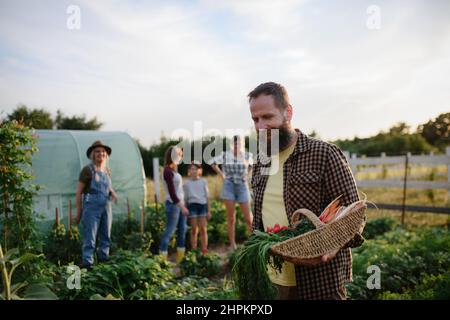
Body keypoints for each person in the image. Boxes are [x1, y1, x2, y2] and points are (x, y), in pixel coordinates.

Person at [248, 82, 365, 300]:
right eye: (255, 119)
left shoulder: (324, 154)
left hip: (319, 281)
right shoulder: (261, 160)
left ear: (288, 113)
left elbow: (356, 215)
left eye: (267, 117)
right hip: (274, 279)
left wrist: (330, 249)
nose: (260, 126)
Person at [73, 140, 118, 269]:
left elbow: (107, 186)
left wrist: (112, 192)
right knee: (90, 236)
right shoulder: (87, 170)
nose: (101, 153)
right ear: (92, 154)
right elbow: (78, 192)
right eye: (97, 151)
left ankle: (104, 259)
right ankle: (88, 263)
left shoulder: (106, 170)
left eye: (103, 151)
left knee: (105, 234)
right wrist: (78, 212)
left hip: (106, 205)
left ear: (106, 155)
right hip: (91, 205)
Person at [209, 135, 253, 250]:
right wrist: (222, 175)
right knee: (231, 218)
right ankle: (232, 244)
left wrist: (247, 176)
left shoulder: (247, 155)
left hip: (242, 186)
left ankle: (254, 241)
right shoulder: (225, 155)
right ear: (231, 144)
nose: (237, 145)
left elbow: (254, 166)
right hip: (229, 186)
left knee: (248, 218)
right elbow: (212, 163)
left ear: (242, 144)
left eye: (239, 143)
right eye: (235, 143)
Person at [159, 146, 189, 263]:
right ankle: (162, 262)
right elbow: (172, 194)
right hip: (173, 205)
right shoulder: (167, 171)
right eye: (177, 153)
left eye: (180, 154)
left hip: (180, 204)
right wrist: (182, 207)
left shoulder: (174, 170)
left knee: (182, 231)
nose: (180, 156)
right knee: (169, 231)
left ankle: (180, 261)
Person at [183, 162, 211, 254]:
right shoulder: (186, 184)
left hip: (202, 206)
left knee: (203, 228)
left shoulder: (203, 181)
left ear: (199, 171)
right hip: (192, 206)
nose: (194, 171)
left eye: (196, 169)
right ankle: (194, 250)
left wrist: (209, 210)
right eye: (192, 169)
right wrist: (185, 209)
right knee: (194, 229)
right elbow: (185, 198)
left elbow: (207, 197)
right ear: (189, 171)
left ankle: (204, 249)